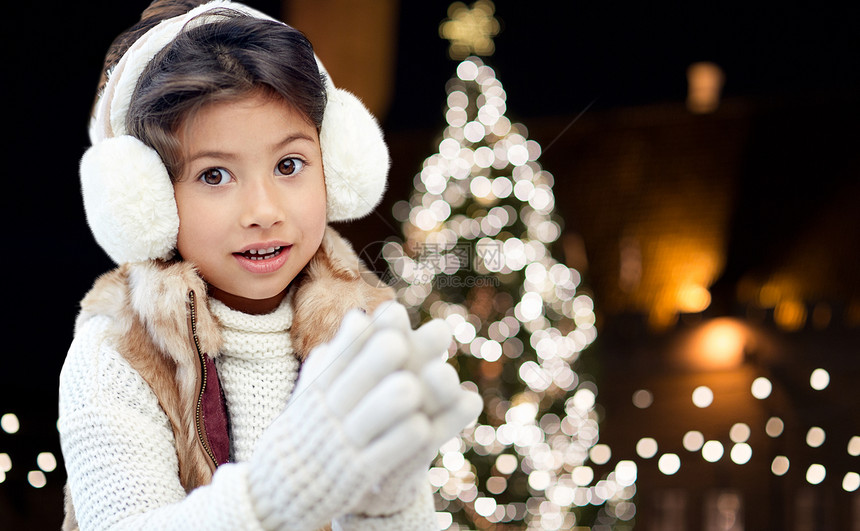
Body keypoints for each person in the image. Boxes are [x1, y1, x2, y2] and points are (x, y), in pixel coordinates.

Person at [58, 1, 482, 529]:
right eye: (214, 176)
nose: (263, 212)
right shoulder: (118, 349)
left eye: (288, 165)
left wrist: (389, 504)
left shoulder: (362, 328)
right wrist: (275, 495)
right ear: (147, 200)